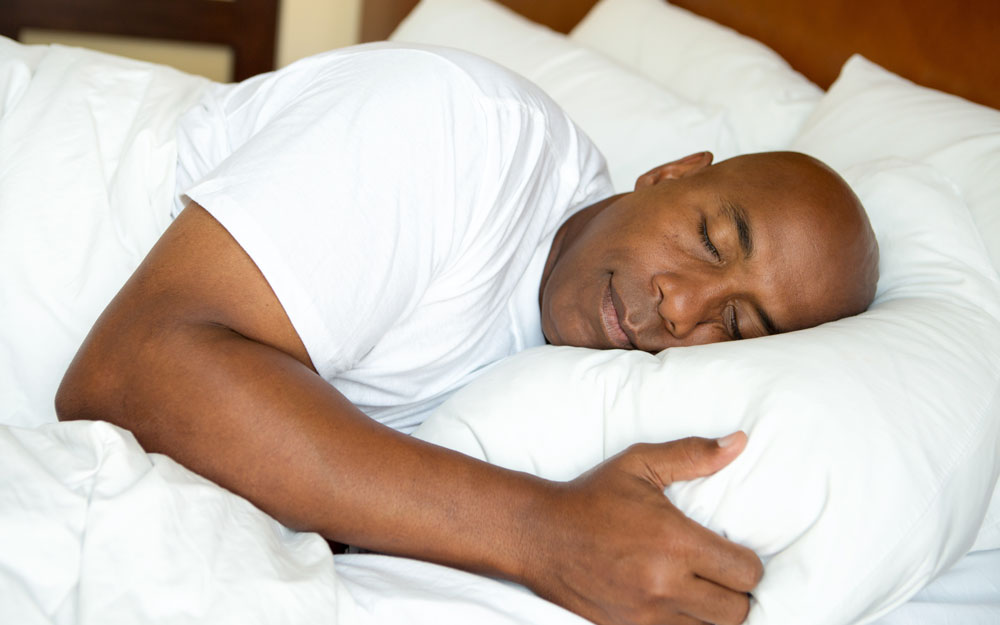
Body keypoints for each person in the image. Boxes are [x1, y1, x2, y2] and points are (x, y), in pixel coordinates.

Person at [55, 44, 878, 625]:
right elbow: (133, 368)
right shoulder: (462, 130)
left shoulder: (565, 396)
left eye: (733, 324)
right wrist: (541, 532)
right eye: (707, 240)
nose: (680, 305)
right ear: (670, 174)